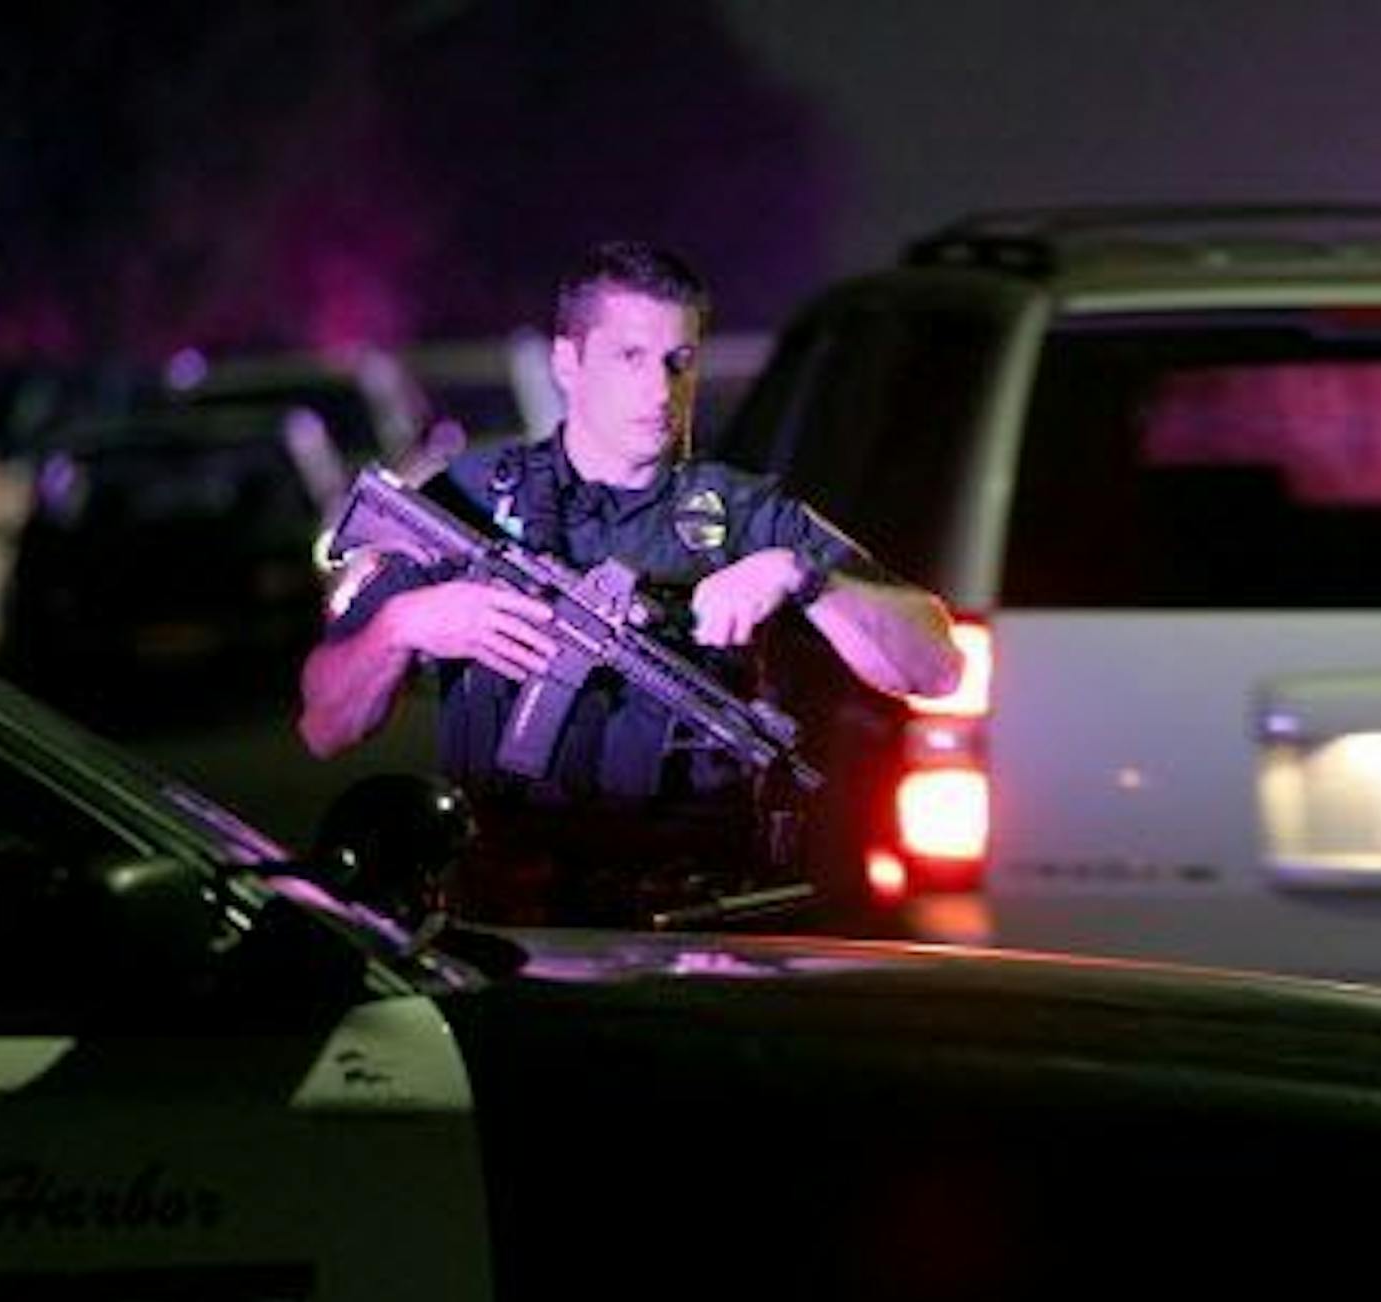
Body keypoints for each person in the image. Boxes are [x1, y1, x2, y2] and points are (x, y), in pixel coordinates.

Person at [297, 240, 962, 926]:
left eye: (680, 362)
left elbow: (937, 666)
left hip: (702, 917)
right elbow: (326, 725)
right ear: (567, 361)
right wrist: (403, 625)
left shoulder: (744, 515)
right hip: (508, 911)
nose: (659, 391)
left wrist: (803, 576)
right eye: (630, 357)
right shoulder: (467, 498)